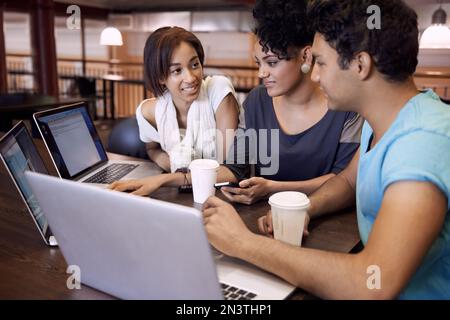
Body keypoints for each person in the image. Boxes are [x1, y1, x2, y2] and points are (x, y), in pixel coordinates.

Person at [202, 0, 450, 299]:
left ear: (360, 65)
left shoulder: (420, 142)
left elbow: (373, 283)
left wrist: (242, 243)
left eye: (320, 62)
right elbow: (347, 180)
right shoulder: (384, 118)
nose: (315, 76)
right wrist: (307, 208)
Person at [111, 0, 363, 200]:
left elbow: (345, 181)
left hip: (334, 222)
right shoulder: (257, 102)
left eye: (272, 63)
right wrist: (163, 179)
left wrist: (273, 188)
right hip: (267, 218)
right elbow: (234, 169)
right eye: (258, 63)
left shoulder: (344, 105)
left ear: (306, 56)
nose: (261, 73)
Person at [109, 26, 240, 195]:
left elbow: (228, 168)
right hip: (183, 195)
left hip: (226, 194)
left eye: (194, 64)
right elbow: (152, 149)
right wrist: (173, 164)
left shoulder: (218, 91)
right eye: (177, 70)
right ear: (160, 77)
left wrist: (166, 179)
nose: (191, 78)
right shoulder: (149, 112)